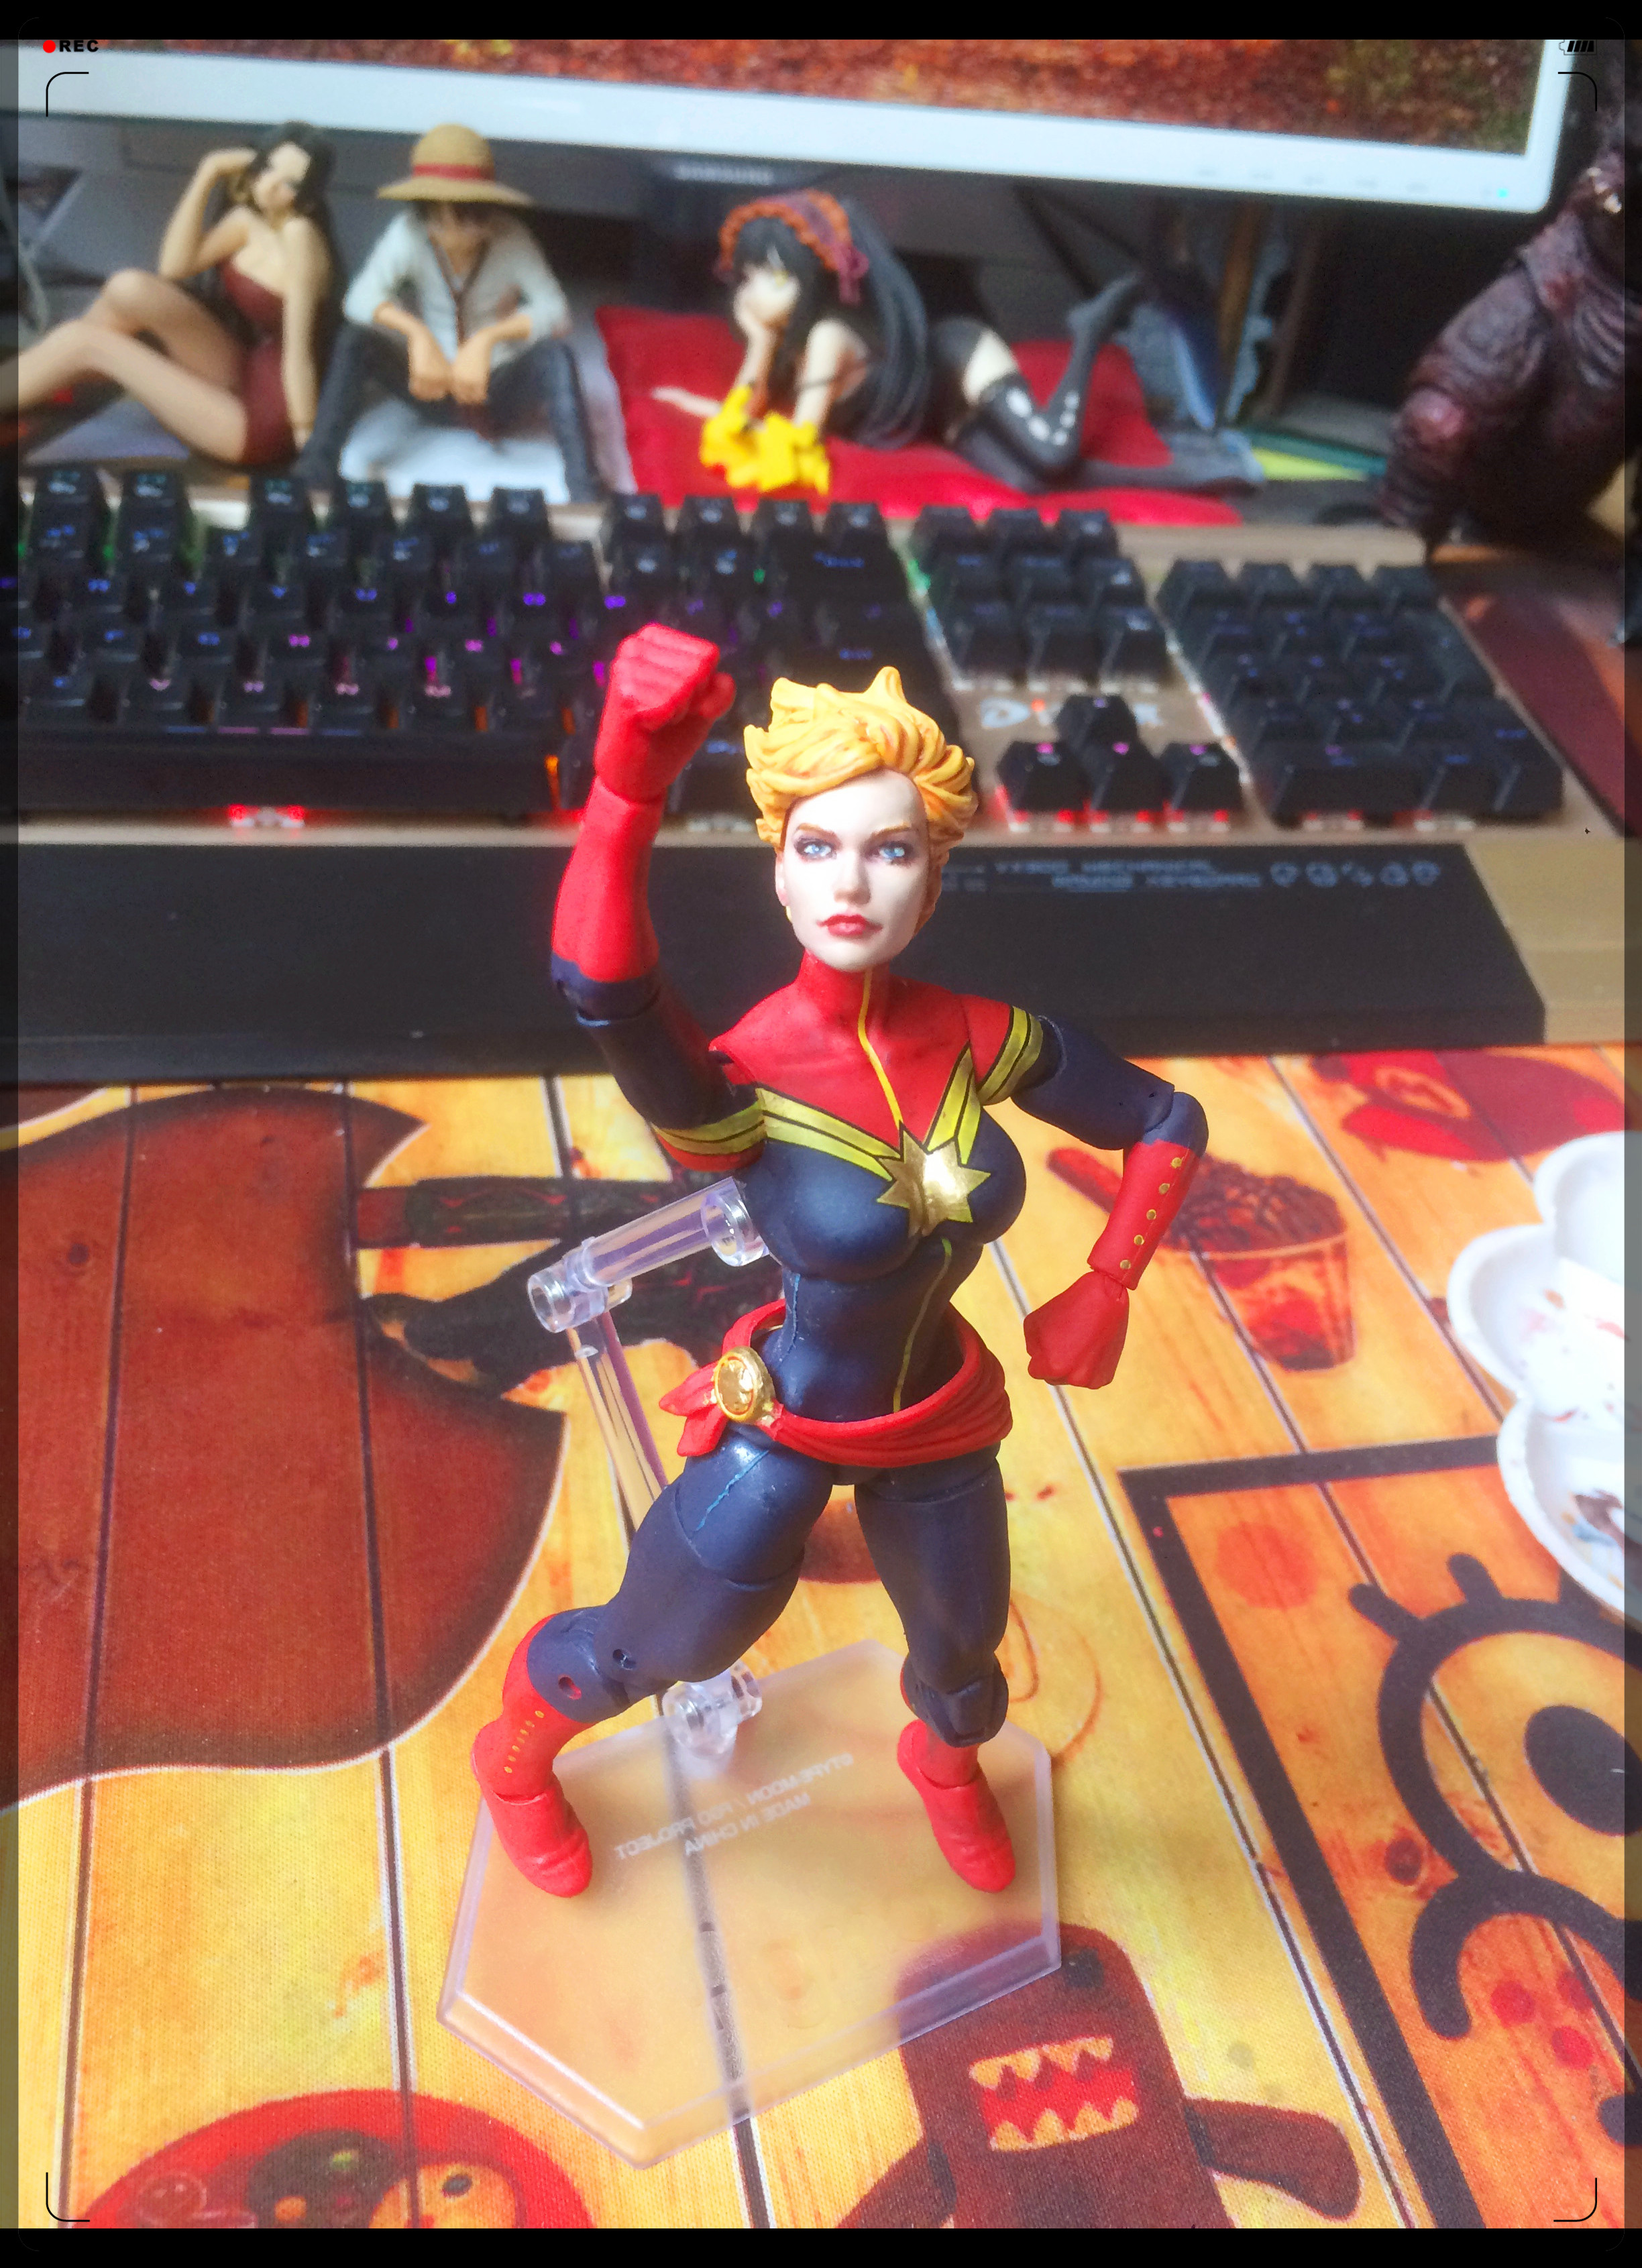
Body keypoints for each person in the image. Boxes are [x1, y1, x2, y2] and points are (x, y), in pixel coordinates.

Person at [471, 623, 1208, 1898]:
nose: (851, 881)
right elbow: (603, 991)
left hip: (941, 1412)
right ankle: (515, 1759)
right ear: (778, 870)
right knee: (656, 1646)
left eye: (890, 848)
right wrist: (626, 789)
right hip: (790, 1422)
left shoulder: (982, 1035)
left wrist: (1109, 1280)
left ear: (936, 873)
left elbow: (1163, 1119)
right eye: (817, 846)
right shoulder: (745, 1081)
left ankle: (943, 1766)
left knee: (966, 1670)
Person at [651, 189, 1141, 495]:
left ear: (813, 280)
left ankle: (1088, 333)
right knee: (1027, 481)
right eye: (749, 276)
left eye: (776, 278)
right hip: (938, 414)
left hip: (957, 359)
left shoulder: (826, 336)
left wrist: (728, 413)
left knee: (1051, 453)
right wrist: (758, 345)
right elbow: (749, 410)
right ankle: (1175, 478)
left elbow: (801, 438)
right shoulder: (788, 341)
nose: (753, 292)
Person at [290, 123, 601, 501]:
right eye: (436, 216)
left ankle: (586, 490)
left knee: (557, 358)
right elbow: (358, 299)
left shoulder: (511, 239)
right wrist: (416, 334)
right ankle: (314, 473)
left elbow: (556, 311)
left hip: (494, 389)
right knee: (354, 340)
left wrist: (489, 339)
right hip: (431, 386)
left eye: (466, 217)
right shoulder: (409, 233)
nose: (450, 231)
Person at [4, 124, 337, 465]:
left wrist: (306, 437)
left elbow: (298, 350)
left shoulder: (300, 236)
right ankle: (58, 373)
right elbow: (174, 267)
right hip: (248, 368)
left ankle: (59, 369)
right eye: (268, 169)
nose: (270, 185)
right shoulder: (249, 222)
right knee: (129, 288)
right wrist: (208, 172)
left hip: (261, 422)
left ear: (308, 196)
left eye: (290, 183)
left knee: (84, 342)